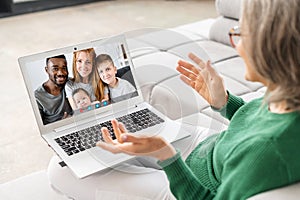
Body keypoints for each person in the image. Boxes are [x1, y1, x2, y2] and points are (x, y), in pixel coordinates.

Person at [48, 0, 300, 199]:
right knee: (91, 150)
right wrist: (224, 102)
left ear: (269, 45)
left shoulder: (268, 150)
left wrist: (166, 156)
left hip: (190, 187)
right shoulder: (288, 94)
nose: (236, 44)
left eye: (240, 33)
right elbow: (261, 121)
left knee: (60, 172)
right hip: (211, 147)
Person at [35, 55, 73, 125]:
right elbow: (40, 127)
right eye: (55, 69)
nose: (61, 73)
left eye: (64, 68)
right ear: (47, 70)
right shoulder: (37, 97)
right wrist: (62, 124)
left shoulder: (71, 84)